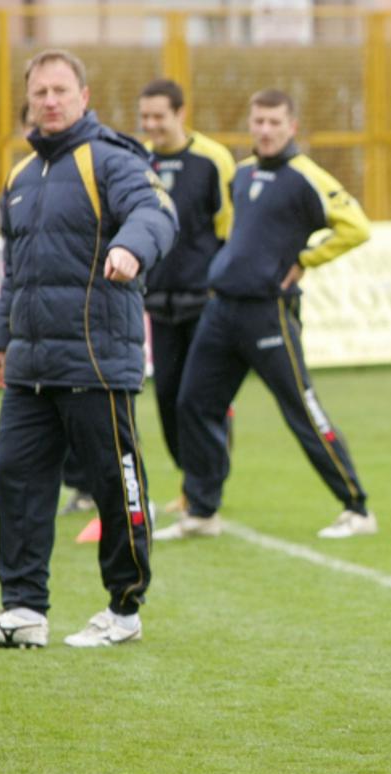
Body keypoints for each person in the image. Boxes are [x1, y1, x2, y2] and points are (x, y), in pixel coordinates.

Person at [0, 48, 177, 649]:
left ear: (84, 96)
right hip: (30, 366)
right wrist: (1, 341)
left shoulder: (111, 158)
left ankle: (124, 611)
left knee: (114, 486)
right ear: (29, 101)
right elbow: (16, 273)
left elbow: (156, 212)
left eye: (60, 90)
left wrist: (132, 247)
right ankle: (23, 610)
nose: (50, 101)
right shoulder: (21, 177)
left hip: (96, 361)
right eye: (40, 93)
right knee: (15, 477)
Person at [153, 88, 374, 541]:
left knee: (302, 411)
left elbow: (357, 227)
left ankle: (357, 508)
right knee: (193, 403)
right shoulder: (242, 172)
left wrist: (306, 259)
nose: (265, 130)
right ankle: (202, 511)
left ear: (292, 127)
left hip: (268, 313)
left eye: (275, 122)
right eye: (259, 121)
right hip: (220, 309)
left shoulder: (305, 176)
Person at [138, 79, 237, 513]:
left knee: (198, 399)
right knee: (167, 399)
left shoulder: (213, 159)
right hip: (158, 304)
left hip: (205, 303)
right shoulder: (138, 162)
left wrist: (221, 284)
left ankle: (204, 488)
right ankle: (191, 481)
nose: (151, 124)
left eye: (159, 116)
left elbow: (229, 228)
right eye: (145, 117)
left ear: (180, 113)